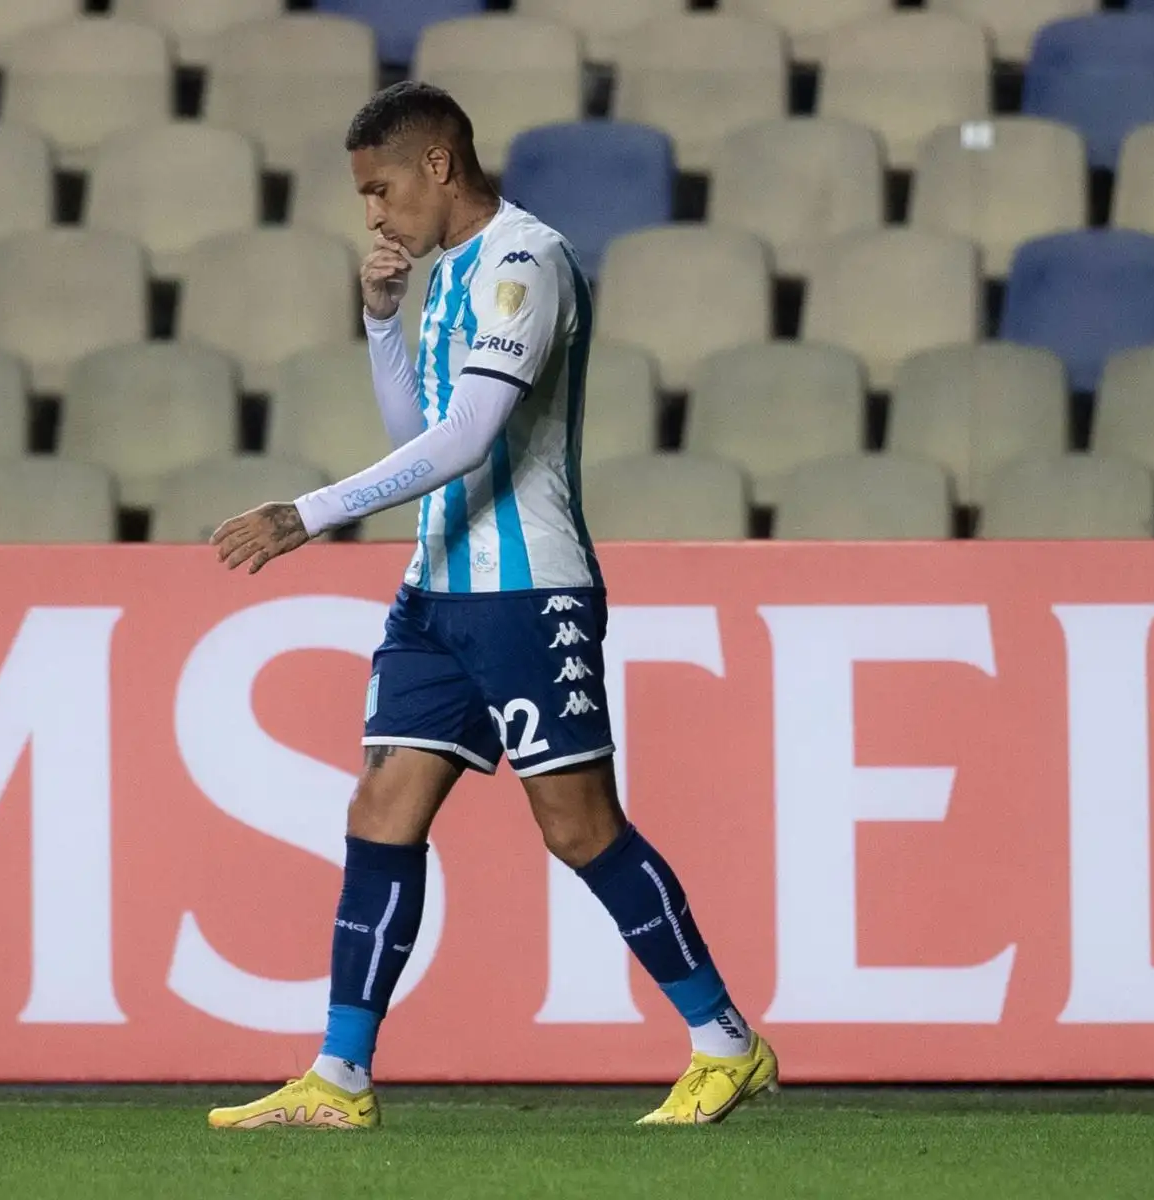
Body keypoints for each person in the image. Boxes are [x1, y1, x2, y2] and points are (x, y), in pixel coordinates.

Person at [205, 82, 777, 1129]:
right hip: (435, 595)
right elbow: (416, 428)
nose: (373, 216)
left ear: (438, 164)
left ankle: (725, 1043)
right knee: (381, 810)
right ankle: (339, 1076)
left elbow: (467, 439)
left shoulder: (526, 262)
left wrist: (309, 513)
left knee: (578, 828)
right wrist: (382, 323)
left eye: (380, 190)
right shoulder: (445, 278)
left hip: (528, 595)